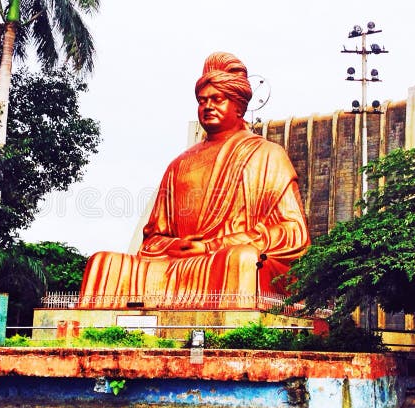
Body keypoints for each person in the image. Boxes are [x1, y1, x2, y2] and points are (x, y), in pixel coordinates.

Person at [78, 52, 309, 309]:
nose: (207, 106)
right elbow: (153, 240)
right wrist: (178, 244)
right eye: (202, 101)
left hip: (223, 260)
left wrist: (214, 245)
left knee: (242, 261)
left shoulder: (267, 155)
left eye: (217, 99)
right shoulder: (179, 165)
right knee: (103, 263)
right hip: (178, 263)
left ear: (239, 107)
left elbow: (294, 232)